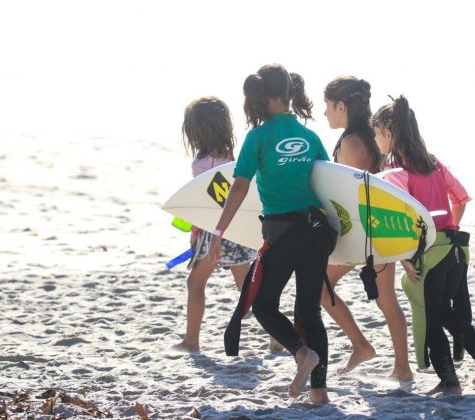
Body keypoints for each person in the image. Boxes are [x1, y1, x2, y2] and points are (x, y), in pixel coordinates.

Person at [208, 64, 335, 404]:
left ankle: (300, 353)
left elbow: (238, 188)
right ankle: (318, 392)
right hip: (317, 229)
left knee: (263, 304)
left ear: (261, 97)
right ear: (290, 94)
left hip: (285, 231)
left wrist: (219, 231)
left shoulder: (258, 137)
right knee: (309, 310)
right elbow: (329, 184)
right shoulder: (310, 136)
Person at [371, 95, 475, 394]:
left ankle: (460, 373)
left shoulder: (395, 173)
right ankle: (473, 360)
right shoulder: (435, 163)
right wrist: (447, 228)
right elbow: (461, 199)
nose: (376, 141)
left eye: (376, 134)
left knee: (431, 314)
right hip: (456, 248)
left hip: (429, 252)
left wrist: (406, 257)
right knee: (442, 310)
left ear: (388, 134)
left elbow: (397, 222)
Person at [321, 76, 413, 381]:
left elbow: (351, 193)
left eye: (328, 106)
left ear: (342, 105)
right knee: (387, 300)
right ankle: (402, 368)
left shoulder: (349, 142)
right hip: (380, 229)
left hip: (358, 233)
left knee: (320, 288)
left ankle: (361, 345)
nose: (325, 113)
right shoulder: (372, 136)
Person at [172, 96, 256, 353]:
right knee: (249, 290)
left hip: (216, 232)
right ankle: (278, 337)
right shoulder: (232, 158)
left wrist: (196, 235)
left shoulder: (202, 164)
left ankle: (191, 341)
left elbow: (204, 205)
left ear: (197, 130)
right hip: (239, 229)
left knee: (195, 283)